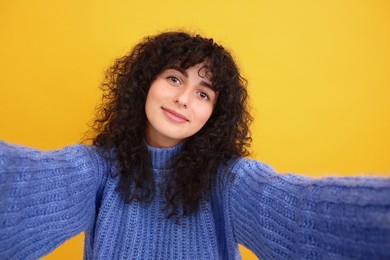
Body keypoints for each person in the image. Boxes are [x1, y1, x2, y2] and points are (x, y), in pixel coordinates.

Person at [0, 31, 389, 260]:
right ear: (144, 84)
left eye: (204, 93)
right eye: (173, 78)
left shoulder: (229, 182)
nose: (185, 98)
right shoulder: (97, 170)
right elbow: (26, 189)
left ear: (214, 115)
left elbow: (303, 216)